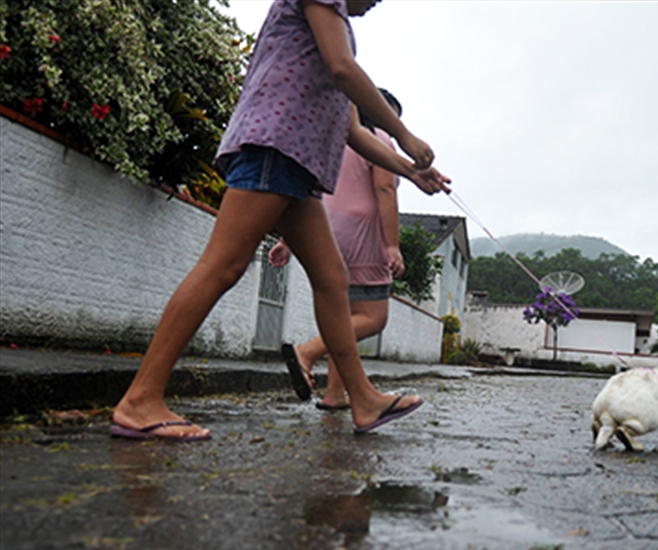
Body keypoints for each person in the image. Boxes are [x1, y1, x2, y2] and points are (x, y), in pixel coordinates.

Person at [110, 0, 449, 441]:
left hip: (299, 165)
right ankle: (140, 400)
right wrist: (404, 134)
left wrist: (409, 169)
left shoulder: (338, 25)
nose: (375, 4)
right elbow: (342, 69)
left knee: (332, 280)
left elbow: (354, 131)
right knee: (223, 265)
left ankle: (362, 400)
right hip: (276, 145)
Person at [270, 88, 406, 409]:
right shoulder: (379, 143)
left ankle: (335, 395)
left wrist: (287, 239)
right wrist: (392, 245)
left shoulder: (333, 141)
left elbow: (307, 186)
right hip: (363, 234)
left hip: (327, 229)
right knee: (373, 318)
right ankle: (308, 351)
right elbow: (385, 190)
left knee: (343, 315)